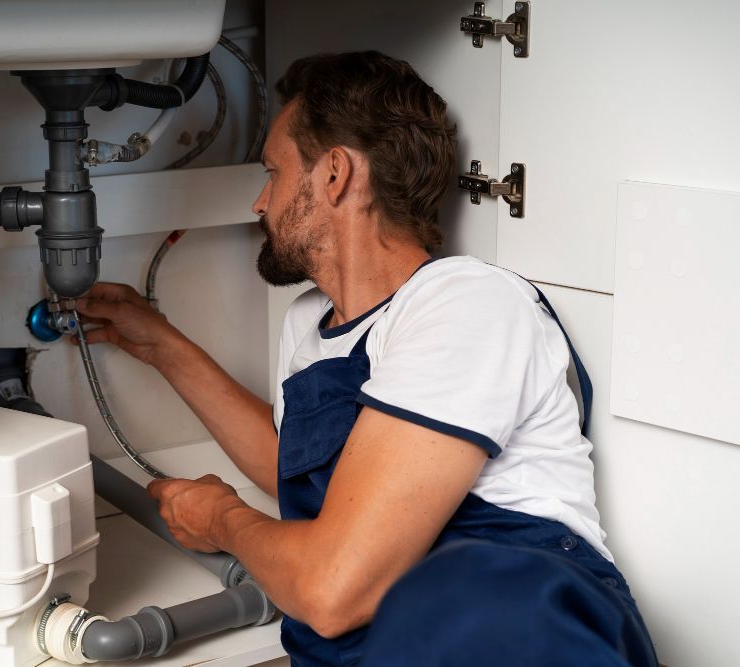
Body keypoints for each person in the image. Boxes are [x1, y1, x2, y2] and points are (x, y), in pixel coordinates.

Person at [76, 51, 658, 667]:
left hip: (509, 625)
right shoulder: (309, 322)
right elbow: (303, 473)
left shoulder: (467, 302)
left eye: (273, 173)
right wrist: (161, 346)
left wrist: (223, 519)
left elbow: (335, 590)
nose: (260, 203)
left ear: (335, 174)